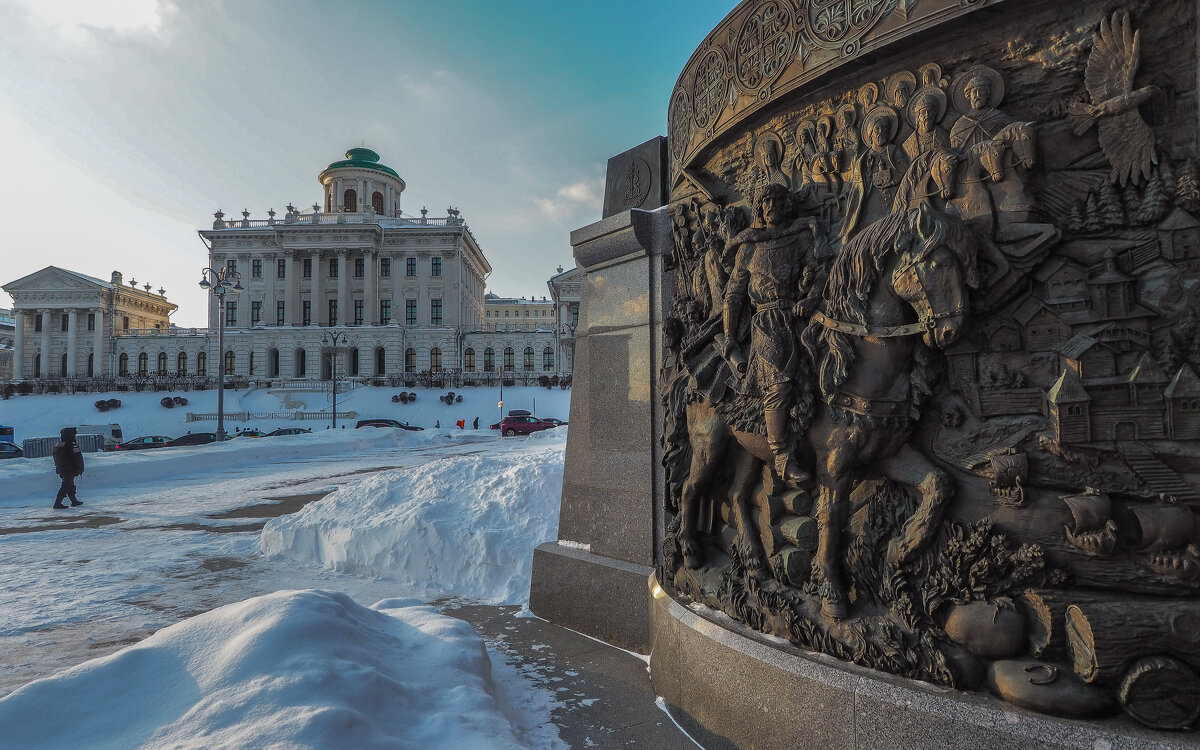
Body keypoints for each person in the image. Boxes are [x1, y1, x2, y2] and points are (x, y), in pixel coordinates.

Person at [723, 183, 825, 486]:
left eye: (777, 201)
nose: (771, 207)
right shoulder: (750, 246)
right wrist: (729, 339)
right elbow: (734, 295)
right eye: (765, 202)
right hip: (767, 322)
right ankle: (782, 455)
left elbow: (818, 271)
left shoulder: (800, 237)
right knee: (778, 384)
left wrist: (811, 296)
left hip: (801, 315)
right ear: (759, 209)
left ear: (787, 205)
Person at [52, 427, 84, 509]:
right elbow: (77, 457)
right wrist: (80, 468)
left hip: (61, 468)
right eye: (74, 434)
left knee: (69, 484)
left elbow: (55, 457)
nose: (75, 435)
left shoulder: (58, 444)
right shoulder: (71, 444)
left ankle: (74, 501)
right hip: (69, 469)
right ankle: (57, 503)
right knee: (66, 485)